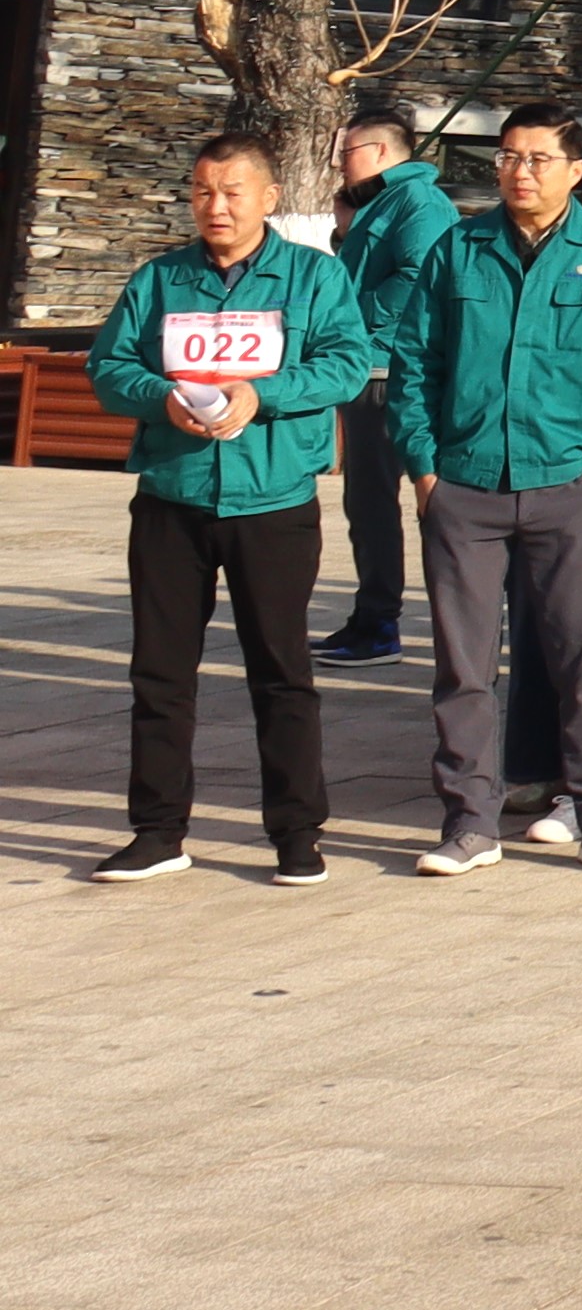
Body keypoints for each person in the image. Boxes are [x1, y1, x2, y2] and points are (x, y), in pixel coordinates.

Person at [80, 122, 381, 886]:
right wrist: (160, 397)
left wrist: (262, 394)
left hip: (272, 502)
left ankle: (297, 833)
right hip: (171, 499)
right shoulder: (159, 280)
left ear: (269, 198)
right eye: (202, 192)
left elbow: (348, 363)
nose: (216, 206)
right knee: (160, 675)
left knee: (281, 672)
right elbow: (109, 367)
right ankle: (157, 832)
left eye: (232, 192)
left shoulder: (314, 277)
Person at [388, 104, 582, 875]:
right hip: (465, 487)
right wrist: (425, 469)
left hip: (571, 485)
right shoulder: (458, 248)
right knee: (463, 669)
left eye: (538, 159)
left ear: (576, 170)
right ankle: (469, 824)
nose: (520, 172)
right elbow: (414, 364)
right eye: (508, 157)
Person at [319, 99, 453, 659]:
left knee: (399, 503)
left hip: (393, 373)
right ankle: (374, 617)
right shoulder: (386, 202)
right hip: (369, 367)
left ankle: (392, 625)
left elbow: (420, 276)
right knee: (366, 503)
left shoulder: (418, 202)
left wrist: (355, 315)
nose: (339, 162)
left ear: (378, 151)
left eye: (346, 151)